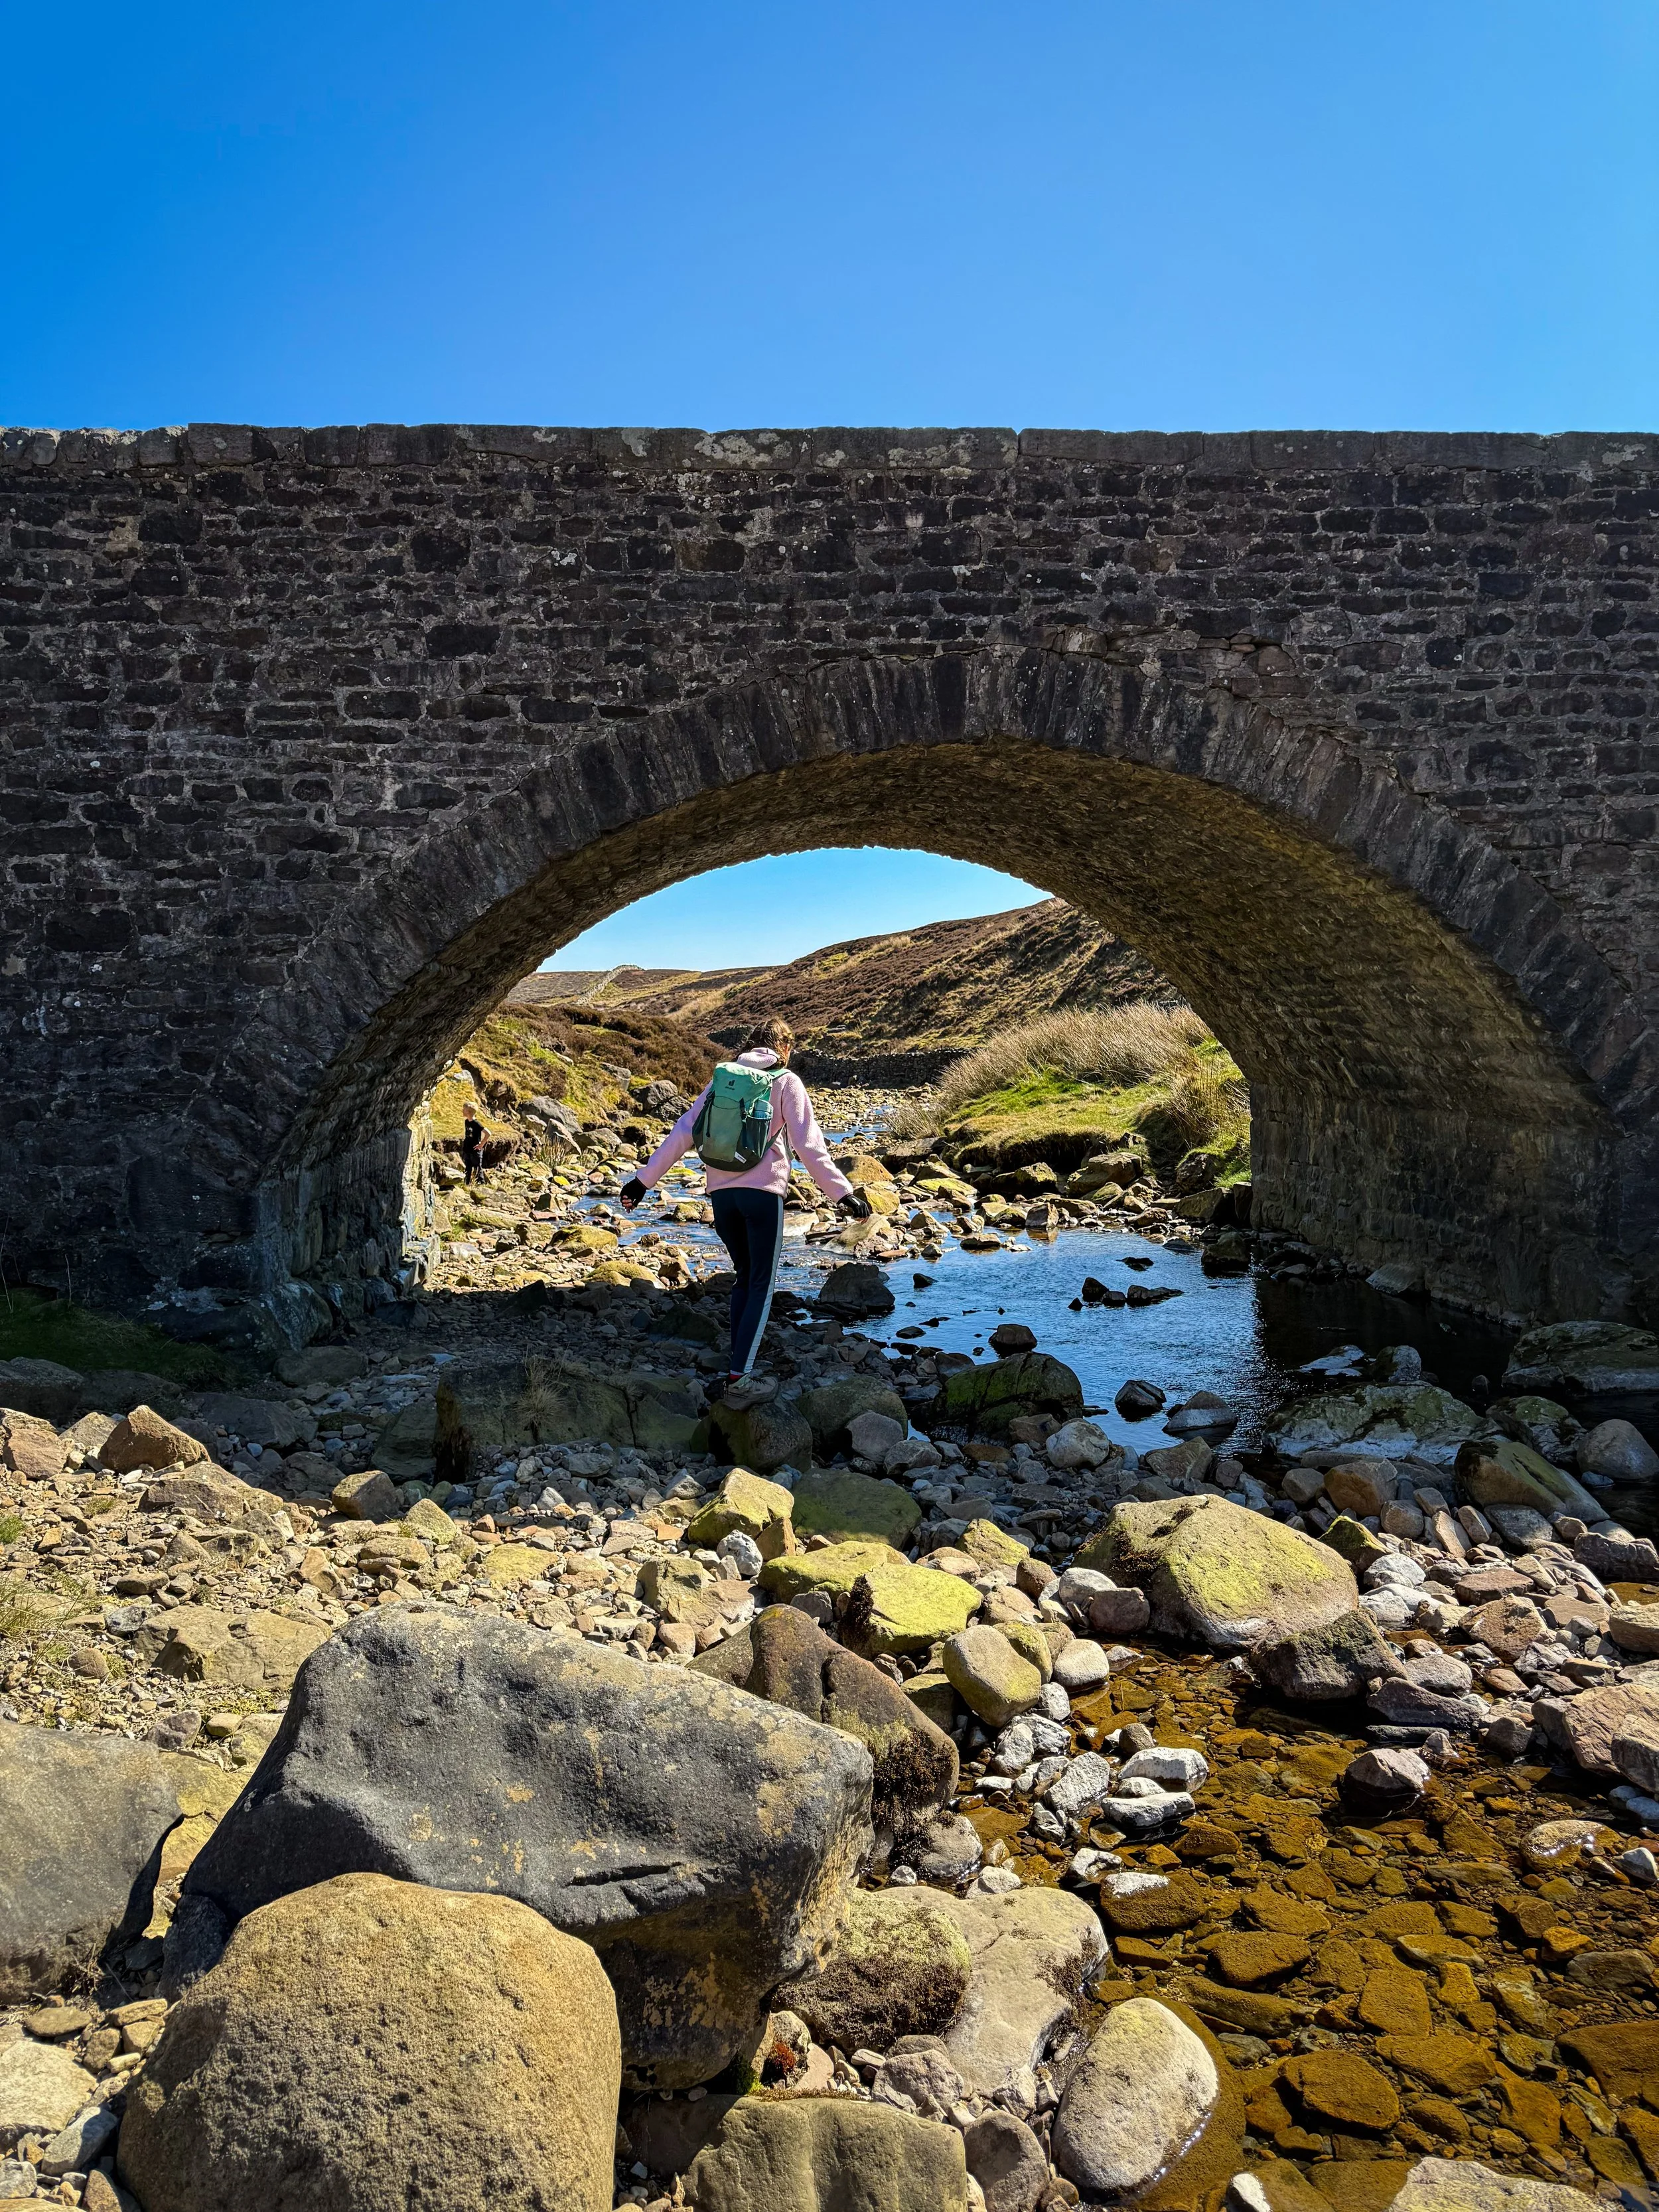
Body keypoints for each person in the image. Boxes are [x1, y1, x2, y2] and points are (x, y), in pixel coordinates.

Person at [621, 1017, 870, 1401]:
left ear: (750, 1044)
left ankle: (737, 1365)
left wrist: (642, 1182)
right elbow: (808, 1147)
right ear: (786, 1048)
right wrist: (843, 1192)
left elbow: (684, 1132)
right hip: (762, 1195)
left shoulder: (721, 1079)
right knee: (761, 1283)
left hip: (721, 1196)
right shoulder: (786, 1081)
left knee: (743, 1277)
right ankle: (741, 1379)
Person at [461, 1108, 487, 1187]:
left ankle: (482, 1185)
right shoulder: (467, 1121)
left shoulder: (476, 1124)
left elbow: (488, 1133)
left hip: (475, 1150)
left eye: (464, 1110)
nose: (462, 1111)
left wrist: (481, 1145)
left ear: (468, 1112)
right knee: (468, 1168)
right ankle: (466, 1184)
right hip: (467, 1149)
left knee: (478, 1168)